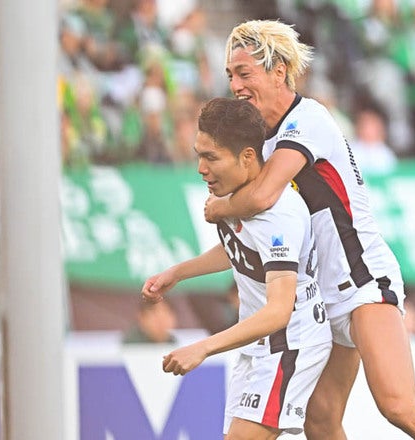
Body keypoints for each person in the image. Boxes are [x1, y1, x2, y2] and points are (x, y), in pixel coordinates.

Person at [204, 19, 415, 440]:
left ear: (279, 71)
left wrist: (219, 208)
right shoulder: (260, 141)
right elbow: (256, 231)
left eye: (244, 73)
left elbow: (263, 196)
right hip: (319, 298)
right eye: (231, 74)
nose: (235, 85)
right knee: (320, 420)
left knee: (398, 406)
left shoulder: (308, 119)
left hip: (361, 282)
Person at [141, 97, 332, 439]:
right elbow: (241, 249)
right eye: (198, 155)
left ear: (246, 157)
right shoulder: (233, 195)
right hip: (258, 343)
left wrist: (203, 347)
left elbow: (279, 311)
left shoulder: (280, 215)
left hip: (290, 342)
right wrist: (178, 273)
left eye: (211, 157)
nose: (201, 168)